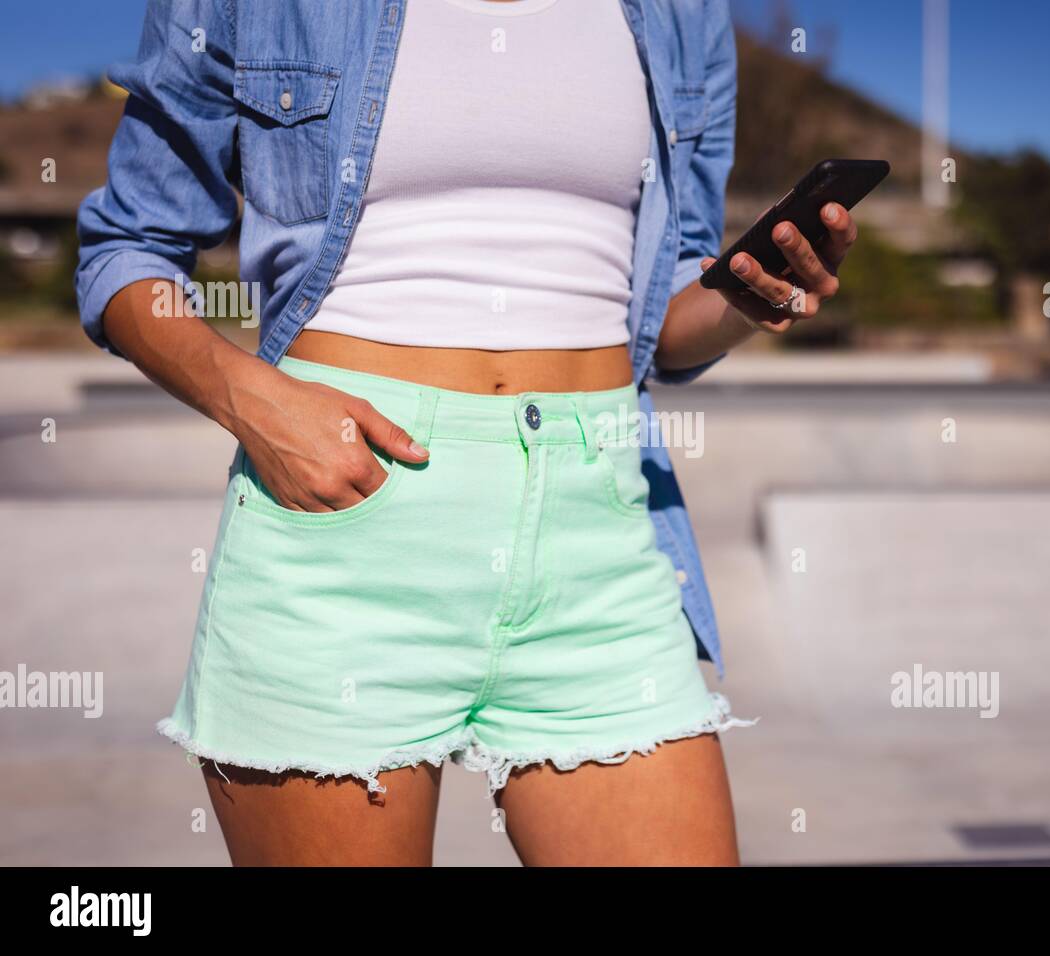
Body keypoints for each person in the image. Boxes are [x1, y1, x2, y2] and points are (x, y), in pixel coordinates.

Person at [76, 0, 858, 866]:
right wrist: (260, 402)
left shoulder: (685, 15)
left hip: (598, 541)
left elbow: (665, 315)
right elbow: (126, 250)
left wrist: (751, 297)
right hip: (347, 530)